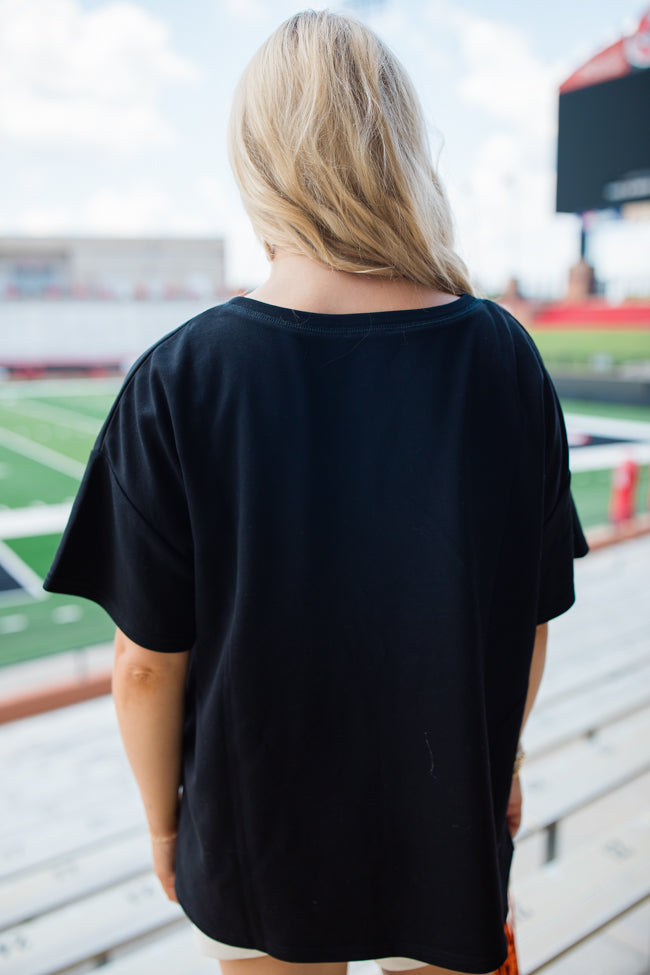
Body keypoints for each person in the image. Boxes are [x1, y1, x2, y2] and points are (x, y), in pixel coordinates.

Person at [44, 10, 588, 975]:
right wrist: (497, 762)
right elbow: (529, 616)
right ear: (401, 149)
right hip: (448, 825)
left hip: (258, 840)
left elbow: (142, 662)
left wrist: (167, 828)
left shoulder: (179, 377)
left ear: (257, 163)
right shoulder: (504, 359)